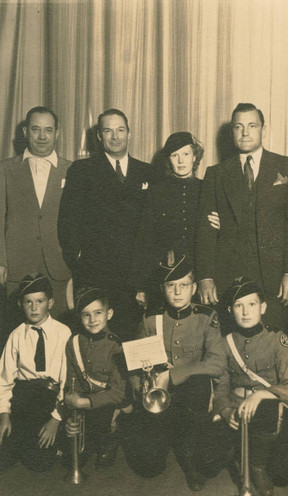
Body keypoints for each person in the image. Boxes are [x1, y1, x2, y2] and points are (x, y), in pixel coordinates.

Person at [196, 102, 288, 330]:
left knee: (275, 343)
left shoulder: (286, 167)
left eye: (252, 125)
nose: (245, 132)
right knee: (231, 346)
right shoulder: (216, 174)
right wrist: (205, 278)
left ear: (263, 129)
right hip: (229, 278)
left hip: (275, 278)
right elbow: (206, 232)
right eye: (238, 127)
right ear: (232, 132)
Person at [123, 252, 225, 492]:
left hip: (192, 399)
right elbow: (135, 367)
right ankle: (167, 438)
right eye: (171, 285)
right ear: (162, 288)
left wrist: (174, 374)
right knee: (148, 466)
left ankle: (190, 457)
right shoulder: (150, 319)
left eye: (184, 285)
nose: (178, 292)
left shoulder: (206, 317)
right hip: (160, 399)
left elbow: (217, 363)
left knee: (209, 465)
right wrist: (142, 388)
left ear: (194, 288)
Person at [58, 108, 161, 339]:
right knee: (97, 341)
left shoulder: (149, 172)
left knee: (134, 340)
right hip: (96, 275)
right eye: (108, 131)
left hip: (136, 280)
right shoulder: (82, 170)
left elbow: (155, 229)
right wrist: (79, 260)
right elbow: (68, 222)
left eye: (120, 130)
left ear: (129, 133)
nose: (115, 137)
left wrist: (145, 279)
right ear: (99, 136)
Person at [211, 277, 288, 496]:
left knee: (285, 472)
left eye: (251, 304)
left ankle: (258, 466)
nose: (245, 312)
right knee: (208, 462)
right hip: (235, 409)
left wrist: (264, 394)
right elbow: (220, 385)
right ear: (230, 310)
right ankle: (238, 452)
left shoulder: (276, 339)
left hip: (268, 414)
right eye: (238, 306)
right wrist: (225, 410)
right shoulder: (225, 343)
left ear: (263, 307)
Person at [0, 106, 71, 328]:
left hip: (59, 268)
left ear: (57, 134)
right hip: (18, 268)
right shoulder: (5, 169)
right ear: (25, 133)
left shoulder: (72, 170)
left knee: (60, 332)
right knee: (16, 333)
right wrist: (1, 261)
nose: (42, 136)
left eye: (48, 130)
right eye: (35, 129)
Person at [133, 131, 219, 309]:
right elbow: (145, 239)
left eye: (186, 154)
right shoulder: (156, 193)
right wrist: (140, 285)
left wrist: (222, 225)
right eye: (175, 155)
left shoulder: (209, 190)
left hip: (199, 277)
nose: (181, 161)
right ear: (168, 160)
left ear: (195, 156)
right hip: (165, 276)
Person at [0, 273, 71, 471]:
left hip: (50, 399)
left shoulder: (64, 333)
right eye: (28, 302)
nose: (33, 307)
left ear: (50, 302)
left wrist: (56, 419)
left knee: (39, 463)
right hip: (22, 398)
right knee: (2, 458)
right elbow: (4, 379)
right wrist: (4, 415)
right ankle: (19, 442)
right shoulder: (16, 335)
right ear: (20, 305)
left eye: (39, 301)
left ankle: (33, 444)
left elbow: (68, 381)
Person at [64, 287, 126, 470]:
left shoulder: (117, 346)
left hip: (107, 403)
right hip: (83, 401)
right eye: (86, 315)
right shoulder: (74, 342)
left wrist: (82, 402)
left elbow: (117, 393)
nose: (92, 320)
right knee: (73, 458)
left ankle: (109, 438)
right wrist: (71, 408)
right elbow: (72, 379)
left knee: (101, 421)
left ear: (109, 313)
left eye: (98, 313)